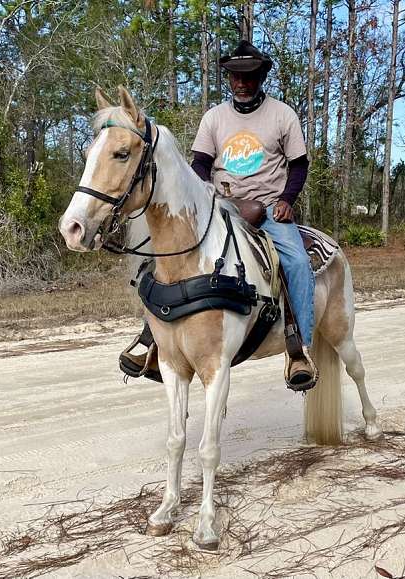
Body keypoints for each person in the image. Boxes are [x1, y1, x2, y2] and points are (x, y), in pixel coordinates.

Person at [120, 40, 317, 389]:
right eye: (235, 77)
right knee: (167, 257)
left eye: (249, 76)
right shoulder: (214, 118)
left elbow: (298, 166)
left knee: (297, 263)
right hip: (220, 204)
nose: (241, 83)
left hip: (268, 205)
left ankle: (299, 346)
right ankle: (151, 338)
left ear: (261, 76)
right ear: (228, 78)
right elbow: (201, 164)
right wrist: (197, 198)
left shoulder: (282, 114)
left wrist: (287, 198)